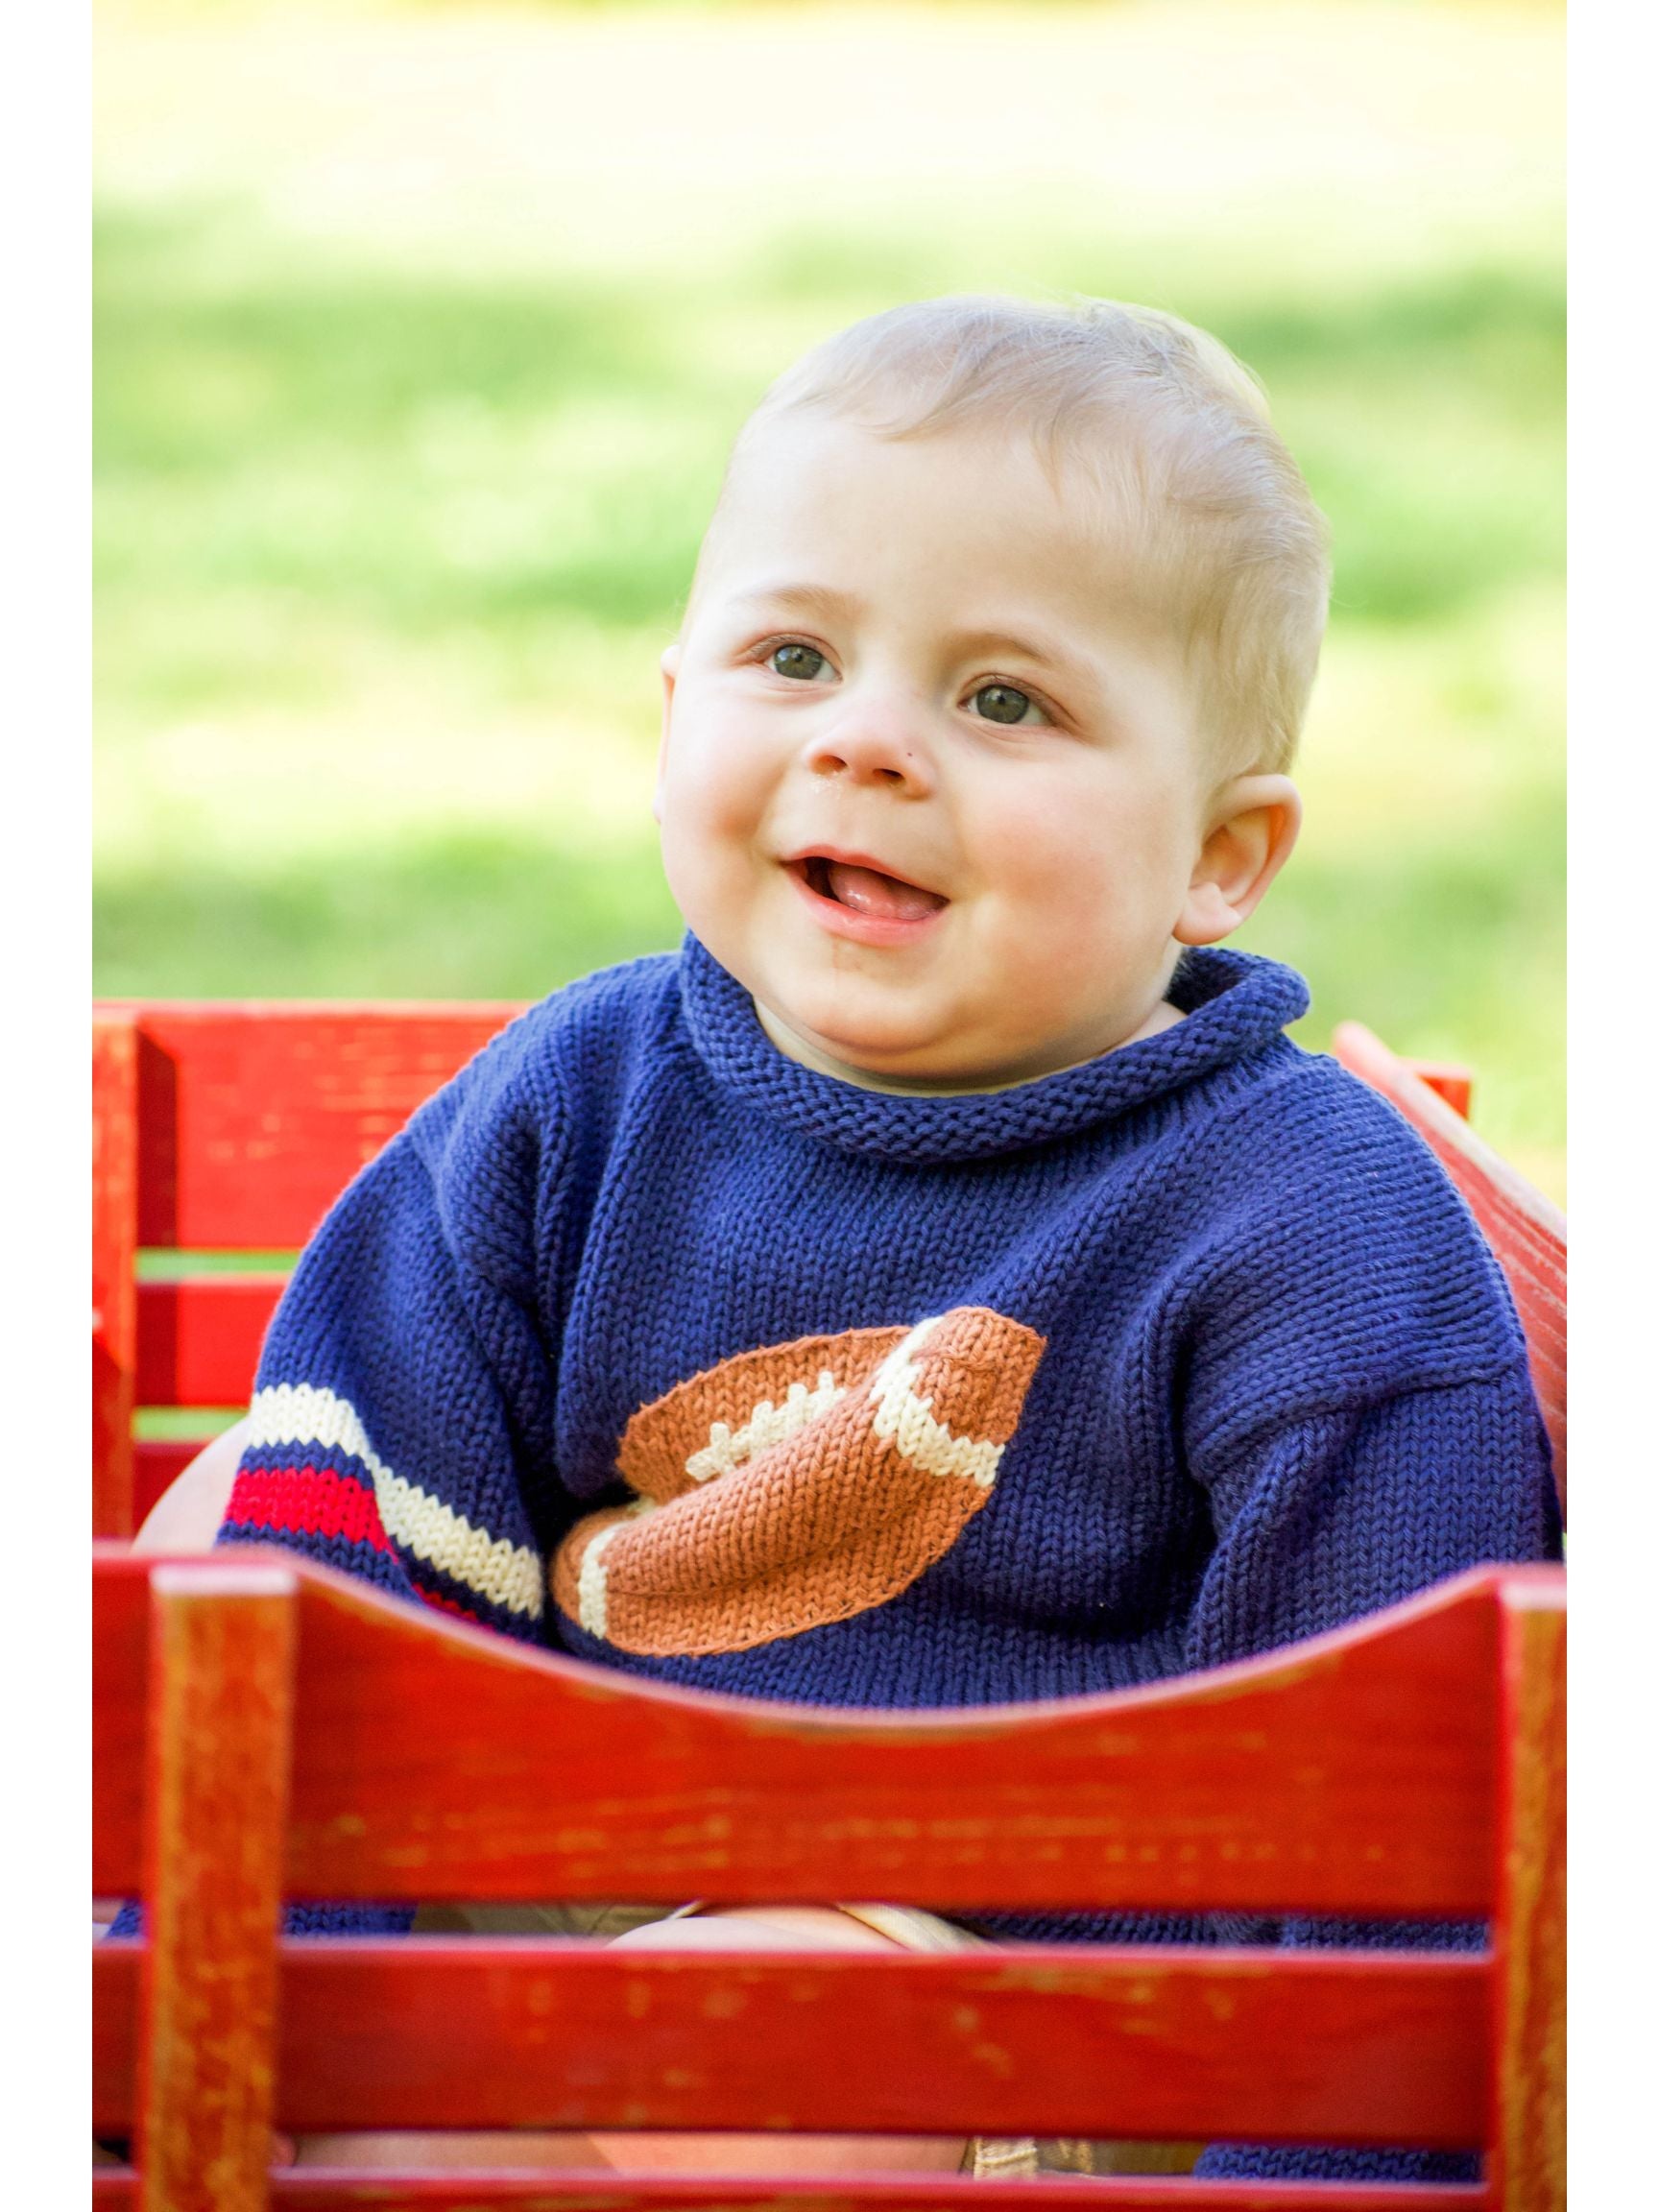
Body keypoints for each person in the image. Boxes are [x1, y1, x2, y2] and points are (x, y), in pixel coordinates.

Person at [122, 296, 1561, 2180]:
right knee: (226, 1496)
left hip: (1001, 1954)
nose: (868, 744)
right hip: (588, 1820)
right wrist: (310, 1966)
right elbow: (369, 1483)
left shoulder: (1306, 1226)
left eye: (1005, 700)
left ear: (1220, 855)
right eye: (795, 656)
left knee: (776, 2034)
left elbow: (1399, 1781)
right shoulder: (577, 1089)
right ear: (675, 709)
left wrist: (1314, 2141)